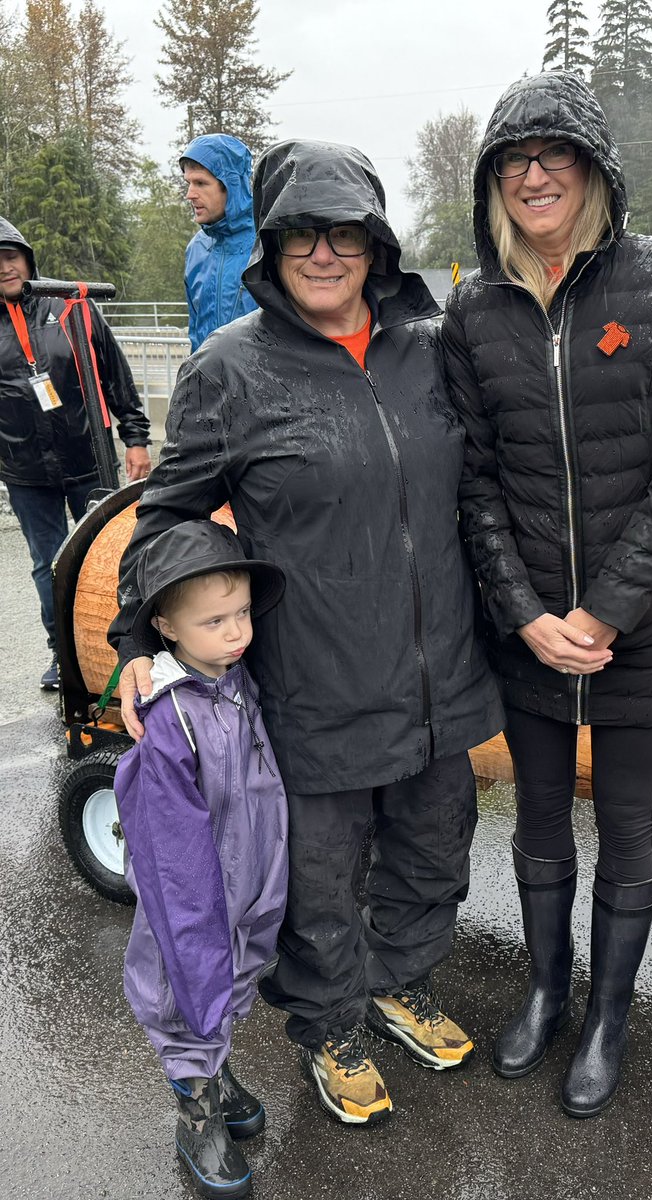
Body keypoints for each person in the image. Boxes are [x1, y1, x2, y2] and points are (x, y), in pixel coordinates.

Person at [109, 139, 503, 1129]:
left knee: (432, 850)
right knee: (319, 880)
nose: (323, 255)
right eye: (300, 235)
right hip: (315, 683)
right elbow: (167, 520)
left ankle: (397, 979)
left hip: (438, 675)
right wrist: (137, 642)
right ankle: (328, 1022)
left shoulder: (428, 349)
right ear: (272, 246)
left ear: (376, 246)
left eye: (345, 234)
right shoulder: (229, 371)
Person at [441, 70, 652, 1119]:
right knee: (539, 825)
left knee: (630, 831)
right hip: (527, 634)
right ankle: (547, 991)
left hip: (640, 632)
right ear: (492, 186)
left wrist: (601, 612)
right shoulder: (473, 308)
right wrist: (524, 614)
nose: (533, 175)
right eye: (513, 161)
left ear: (594, 169)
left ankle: (609, 1015)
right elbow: (471, 481)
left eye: (554, 154)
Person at [115, 519, 287, 1199]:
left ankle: (213, 1070)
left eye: (242, 612)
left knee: (232, 983)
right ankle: (195, 1107)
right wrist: (197, 927)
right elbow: (172, 857)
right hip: (194, 903)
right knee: (187, 993)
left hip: (249, 885)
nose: (236, 631)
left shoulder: (236, 680)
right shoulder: (168, 718)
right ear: (166, 627)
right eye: (214, 620)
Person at [0, 216, 151, 690]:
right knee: (48, 562)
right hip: (24, 471)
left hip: (89, 458)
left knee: (108, 555)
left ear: (27, 259)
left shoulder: (72, 309)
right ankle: (62, 654)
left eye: (10, 256)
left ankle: (122, 648)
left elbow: (116, 376)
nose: (4, 268)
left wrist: (136, 437)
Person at [180, 134, 258, 351]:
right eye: (189, 183)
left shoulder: (267, 246)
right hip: (206, 381)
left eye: (201, 183)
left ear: (231, 185)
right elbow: (196, 333)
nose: (190, 194)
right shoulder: (196, 249)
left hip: (261, 382)